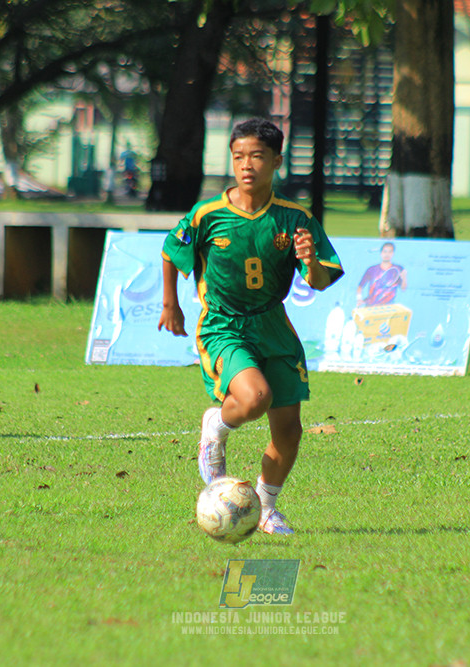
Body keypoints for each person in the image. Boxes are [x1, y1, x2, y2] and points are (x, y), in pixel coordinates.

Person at [157, 118, 344, 535]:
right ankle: (216, 428)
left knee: (289, 430)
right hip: (224, 324)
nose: (247, 165)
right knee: (255, 396)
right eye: (239, 156)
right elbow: (171, 250)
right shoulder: (208, 214)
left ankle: (264, 507)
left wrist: (310, 260)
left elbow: (321, 280)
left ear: (277, 161)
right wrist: (171, 304)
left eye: (257, 156)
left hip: (273, 325)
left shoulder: (294, 218)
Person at [356, 241, 408, 307]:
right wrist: (359, 299)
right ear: (381, 253)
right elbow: (360, 287)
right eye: (385, 252)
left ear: (393, 253)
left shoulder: (397, 269)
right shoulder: (371, 270)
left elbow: (403, 288)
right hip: (371, 306)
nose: (387, 254)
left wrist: (404, 278)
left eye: (389, 252)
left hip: (388, 308)